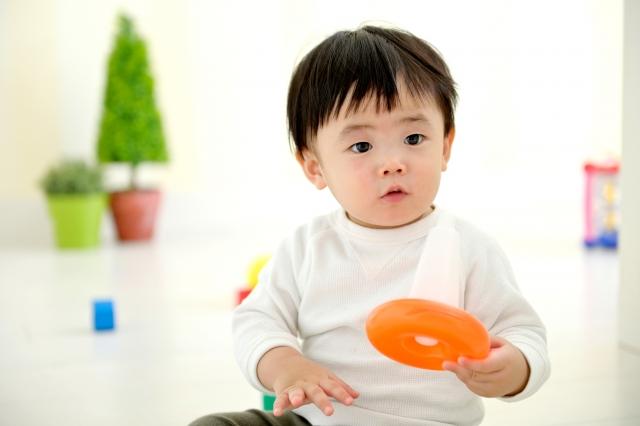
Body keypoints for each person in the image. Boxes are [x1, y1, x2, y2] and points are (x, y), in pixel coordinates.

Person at [190, 25, 550, 426]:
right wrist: (286, 366)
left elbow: (524, 333)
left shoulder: (468, 248)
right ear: (314, 166)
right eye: (361, 146)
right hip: (316, 420)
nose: (393, 162)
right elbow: (256, 319)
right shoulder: (309, 247)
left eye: (414, 138)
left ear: (445, 146)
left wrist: (514, 368)